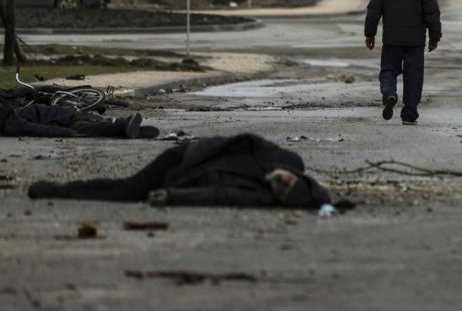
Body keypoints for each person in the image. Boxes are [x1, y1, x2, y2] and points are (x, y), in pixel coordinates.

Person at [27, 133, 330, 208]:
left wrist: (173, 196)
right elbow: (250, 139)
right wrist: (276, 168)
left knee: (128, 191)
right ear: (295, 176)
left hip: (182, 176)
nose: (277, 185)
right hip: (185, 157)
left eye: (281, 192)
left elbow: (218, 195)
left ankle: (59, 191)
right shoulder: (287, 159)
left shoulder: (263, 197)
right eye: (286, 183)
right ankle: (57, 191)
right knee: (128, 190)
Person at [364, 0, 442, 125]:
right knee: (413, 77)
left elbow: (373, 12)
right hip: (415, 42)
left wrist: (369, 34)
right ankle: (409, 114)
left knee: (388, 70)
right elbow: (433, 15)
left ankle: (390, 93)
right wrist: (434, 38)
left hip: (391, 40)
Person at [0, 101, 153, 139]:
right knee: (96, 124)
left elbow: (34, 128)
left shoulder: (10, 120)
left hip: (66, 120)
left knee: (92, 128)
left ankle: (123, 127)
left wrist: (67, 132)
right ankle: (124, 127)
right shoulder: (12, 117)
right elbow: (33, 128)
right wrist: (67, 132)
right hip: (67, 116)